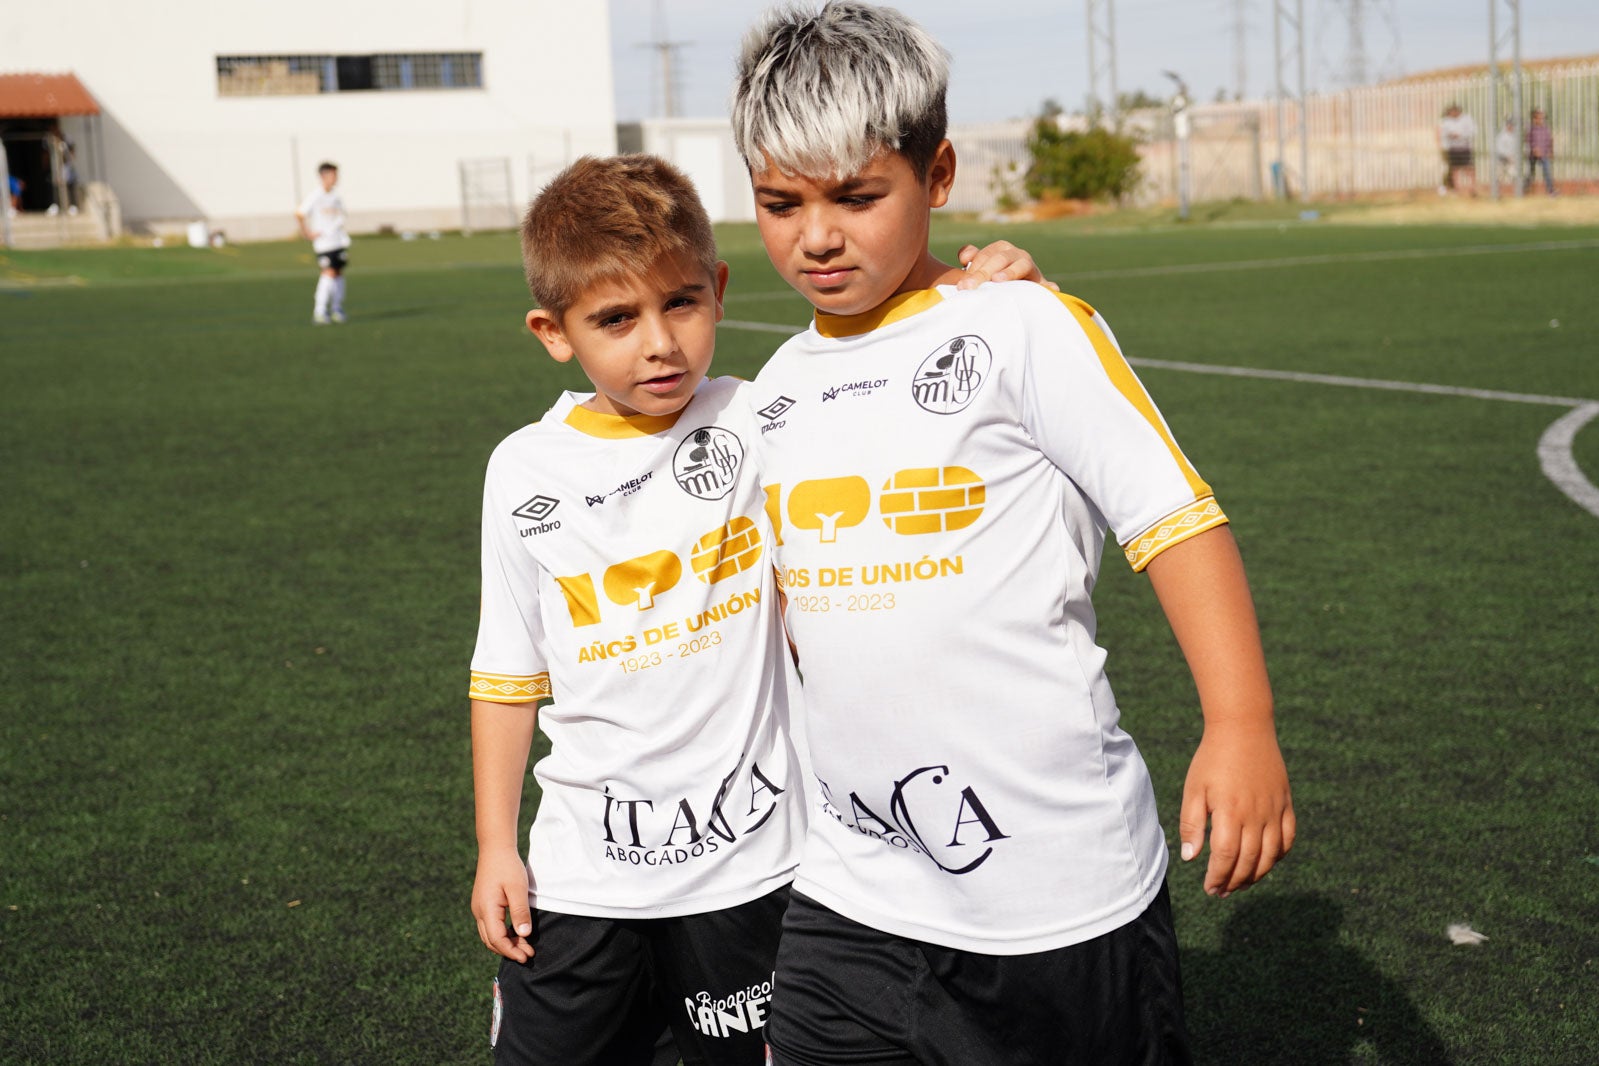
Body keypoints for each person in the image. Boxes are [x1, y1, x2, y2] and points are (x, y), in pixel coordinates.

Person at [730, 4, 1295, 1064]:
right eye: (779, 202)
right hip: (850, 889)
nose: (817, 233)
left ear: (937, 175)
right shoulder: (771, 393)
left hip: (1055, 897)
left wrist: (1240, 719)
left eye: (858, 196)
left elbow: (1173, 519)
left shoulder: (1019, 325)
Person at [468, 152, 1049, 1066]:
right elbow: (506, 674)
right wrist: (496, 847)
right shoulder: (524, 470)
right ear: (553, 331)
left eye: (681, 304)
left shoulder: (764, 413)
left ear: (719, 288)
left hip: (756, 869)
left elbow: (904, 397)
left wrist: (990, 290)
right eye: (615, 319)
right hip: (584, 874)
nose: (657, 342)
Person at [295, 162, 350, 324]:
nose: (335, 178)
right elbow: (299, 213)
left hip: (338, 241)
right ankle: (319, 310)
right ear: (323, 176)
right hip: (324, 243)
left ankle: (336, 308)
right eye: (333, 175)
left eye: (336, 175)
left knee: (338, 273)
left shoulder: (336, 196)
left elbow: (342, 215)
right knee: (328, 273)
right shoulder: (316, 196)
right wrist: (307, 232)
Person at [1438, 104, 1477, 196]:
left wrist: (1461, 135)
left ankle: (1472, 188)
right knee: (1455, 169)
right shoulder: (1446, 121)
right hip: (1453, 148)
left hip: (1465, 147)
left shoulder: (1467, 119)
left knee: (1469, 168)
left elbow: (1473, 131)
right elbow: (1442, 133)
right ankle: (1457, 189)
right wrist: (1450, 135)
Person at [1526, 109, 1556, 196]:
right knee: (1531, 173)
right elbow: (1529, 141)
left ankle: (1550, 190)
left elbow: (1550, 140)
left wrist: (1551, 151)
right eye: (1539, 118)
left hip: (1544, 154)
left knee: (1547, 172)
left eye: (1542, 118)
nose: (1541, 120)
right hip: (1533, 155)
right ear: (1534, 119)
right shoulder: (1531, 129)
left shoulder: (1545, 129)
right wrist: (1534, 149)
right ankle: (1525, 188)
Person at [1495, 117, 1519, 195]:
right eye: (1509, 125)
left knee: (1513, 174)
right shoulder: (1501, 136)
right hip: (1501, 159)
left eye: (1512, 125)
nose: (1511, 127)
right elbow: (1499, 148)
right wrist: (1507, 155)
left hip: (1511, 159)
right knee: (1499, 175)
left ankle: (1515, 192)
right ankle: (1496, 192)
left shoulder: (1514, 136)